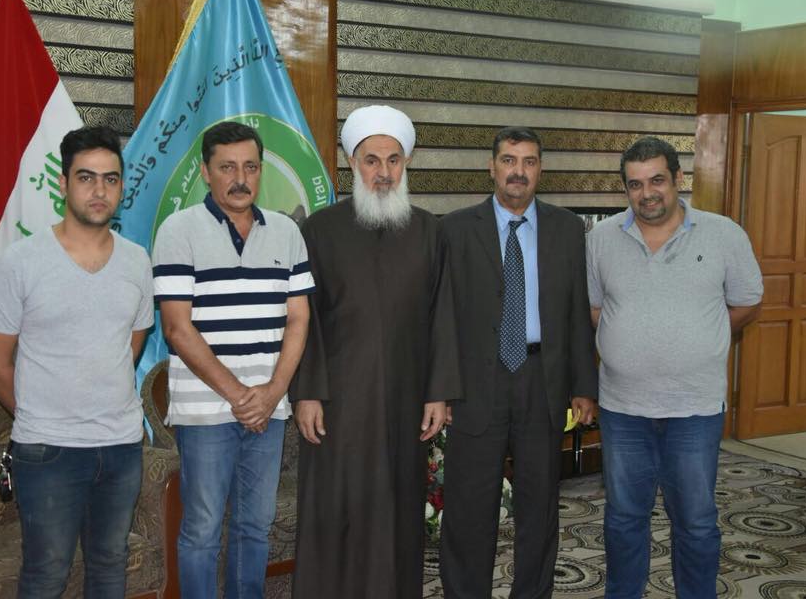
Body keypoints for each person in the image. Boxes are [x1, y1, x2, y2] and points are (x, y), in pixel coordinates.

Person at [290, 104, 460, 599]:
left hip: (406, 402)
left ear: (406, 164)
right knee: (336, 510)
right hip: (338, 405)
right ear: (352, 164)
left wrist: (439, 393)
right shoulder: (319, 231)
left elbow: (443, 315)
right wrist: (308, 393)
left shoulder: (430, 232)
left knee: (399, 509)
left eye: (393, 160)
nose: (383, 172)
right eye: (371, 160)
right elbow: (304, 320)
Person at [0, 125, 153, 598]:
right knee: (46, 574)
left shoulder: (138, 262)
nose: (99, 190)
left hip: (121, 447)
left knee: (111, 566)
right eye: (86, 177)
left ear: (122, 186)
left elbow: (131, 343)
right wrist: (39, 417)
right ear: (63, 183)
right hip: (46, 451)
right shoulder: (20, 262)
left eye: (110, 179)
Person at [586, 136, 763, 598]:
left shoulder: (724, 234)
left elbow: (746, 302)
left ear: (678, 179)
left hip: (695, 408)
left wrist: (701, 335)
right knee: (623, 519)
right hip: (623, 408)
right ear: (625, 189)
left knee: (696, 522)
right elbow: (596, 309)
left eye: (657, 181)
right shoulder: (601, 239)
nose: (647, 193)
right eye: (635, 184)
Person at [151, 121, 313, 599]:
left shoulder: (286, 231)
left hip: (269, 409)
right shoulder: (178, 230)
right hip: (207, 412)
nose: (240, 179)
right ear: (205, 172)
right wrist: (242, 396)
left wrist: (273, 392)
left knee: (255, 527)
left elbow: (299, 319)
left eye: (250, 167)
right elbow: (177, 328)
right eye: (227, 168)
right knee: (202, 530)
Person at [438, 126, 598, 599]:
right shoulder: (454, 229)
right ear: (491, 167)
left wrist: (583, 385)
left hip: (542, 381)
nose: (518, 172)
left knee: (539, 506)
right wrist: (441, 389)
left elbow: (576, 311)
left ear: (540, 170)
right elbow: (441, 317)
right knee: (469, 508)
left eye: (529, 162)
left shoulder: (567, 229)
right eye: (509, 160)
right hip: (475, 385)